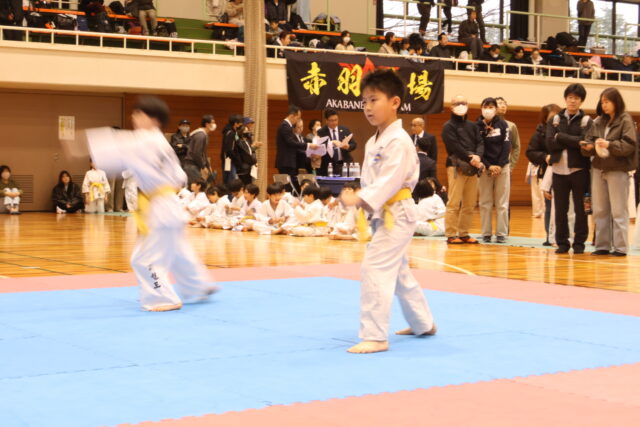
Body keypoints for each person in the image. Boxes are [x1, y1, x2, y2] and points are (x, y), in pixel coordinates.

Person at [83, 96, 217, 312]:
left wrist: (80, 141)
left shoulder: (142, 140)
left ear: (154, 119)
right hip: (170, 204)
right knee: (177, 251)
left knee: (143, 259)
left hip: (160, 207)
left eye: (139, 113)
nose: (134, 117)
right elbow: (180, 177)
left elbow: (110, 148)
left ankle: (162, 298)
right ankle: (200, 286)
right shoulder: (162, 143)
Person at [340, 69, 435, 354]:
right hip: (385, 213)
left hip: (398, 213)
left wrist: (360, 198)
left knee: (375, 267)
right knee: (399, 273)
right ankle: (423, 323)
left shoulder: (399, 141)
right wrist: (360, 201)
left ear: (394, 102)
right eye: (364, 101)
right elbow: (373, 181)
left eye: (374, 100)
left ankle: (375, 336)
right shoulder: (374, 141)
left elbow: (389, 181)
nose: (367, 107)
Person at [582, 88, 638, 256]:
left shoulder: (625, 119)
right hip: (599, 168)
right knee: (600, 209)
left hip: (618, 170)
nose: (604, 105)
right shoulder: (599, 120)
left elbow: (629, 145)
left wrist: (609, 145)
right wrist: (588, 147)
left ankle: (620, 247)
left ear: (616, 102)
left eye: (607, 102)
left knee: (619, 210)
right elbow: (589, 139)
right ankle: (602, 245)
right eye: (602, 102)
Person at [546, 83, 593, 254]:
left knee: (582, 209)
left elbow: (585, 143)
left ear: (581, 101)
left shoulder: (587, 121)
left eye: (576, 98)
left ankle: (579, 243)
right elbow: (550, 143)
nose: (573, 101)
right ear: (565, 99)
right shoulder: (555, 120)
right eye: (570, 97)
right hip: (558, 171)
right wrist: (574, 141)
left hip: (579, 170)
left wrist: (561, 137)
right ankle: (562, 243)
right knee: (560, 210)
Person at [442, 95, 484, 244]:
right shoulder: (448, 126)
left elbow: (480, 142)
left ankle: (464, 233)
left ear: (468, 105)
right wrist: (470, 158)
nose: (461, 105)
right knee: (454, 202)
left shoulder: (473, 126)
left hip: (472, 167)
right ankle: (451, 234)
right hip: (456, 166)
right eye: (457, 103)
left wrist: (478, 156)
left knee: (470, 203)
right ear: (451, 107)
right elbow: (454, 146)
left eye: (463, 103)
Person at [476, 98, 511, 243]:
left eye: (491, 107)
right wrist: (488, 165)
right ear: (481, 108)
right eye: (485, 106)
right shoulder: (476, 126)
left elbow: (506, 146)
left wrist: (500, 165)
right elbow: (478, 147)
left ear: (496, 109)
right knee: (485, 202)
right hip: (485, 167)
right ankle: (486, 233)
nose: (488, 109)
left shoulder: (503, 124)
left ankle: (501, 233)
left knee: (502, 203)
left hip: (502, 167)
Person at [526, 104, 562, 241]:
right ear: (545, 119)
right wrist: (545, 157)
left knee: (564, 207)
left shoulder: (565, 130)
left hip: (566, 172)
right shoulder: (540, 133)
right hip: (548, 173)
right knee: (549, 205)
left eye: (557, 117)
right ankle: (550, 236)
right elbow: (530, 152)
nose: (554, 120)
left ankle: (563, 236)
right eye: (551, 117)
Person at [317, 109, 357, 177]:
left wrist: (348, 146)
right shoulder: (321, 132)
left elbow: (354, 144)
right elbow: (319, 147)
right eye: (331, 120)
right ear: (326, 120)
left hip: (344, 164)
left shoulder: (345, 130)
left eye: (336, 120)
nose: (334, 122)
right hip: (328, 165)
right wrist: (331, 143)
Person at [184, 115, 216, 187]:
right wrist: (203, 167)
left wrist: (208, 166)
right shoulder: (201, 135)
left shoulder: (203, 134)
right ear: (207, 124)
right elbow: (197, 153)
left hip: (193, 166)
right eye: (213, 122)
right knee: (195, 188)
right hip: (191, 166)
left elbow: (204, 153)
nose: (214, 125)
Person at [221, 114, 244, 185]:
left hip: (230, 160)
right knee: (231, 182)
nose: (241, 124)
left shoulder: (233, 132)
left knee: (229, 181)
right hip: (229, 161)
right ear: (235, 124)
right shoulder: (231, 133)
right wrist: (237, 160)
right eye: (240, 123)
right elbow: (229, 150)